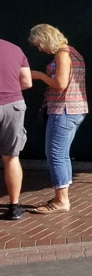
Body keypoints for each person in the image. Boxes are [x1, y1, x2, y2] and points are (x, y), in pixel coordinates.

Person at [28, 24, 88, 214]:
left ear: (46, 38)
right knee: (61, 154)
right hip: (73, 109)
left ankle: (62, 200)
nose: (39, 49)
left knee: (55, 154)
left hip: (64, 109)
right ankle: (61, 196)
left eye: (39, 44)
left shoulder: (63, 54)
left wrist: (38, 75)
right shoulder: (72, 52)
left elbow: (60, 84)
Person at [0, 37, 32, 220]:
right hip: (13, 105)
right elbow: (27, 82)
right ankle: (14, 207)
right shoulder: (15, 49)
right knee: (11, 157)